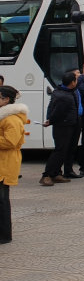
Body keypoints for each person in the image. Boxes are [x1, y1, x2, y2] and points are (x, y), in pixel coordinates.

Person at [0, 85, 28, 243]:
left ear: (6, 100)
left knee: (2, 199)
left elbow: (10, 142)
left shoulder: (11, 119)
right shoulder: (4, 117)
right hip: (2, 159)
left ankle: (4, 235)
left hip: (6, 161)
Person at [41, 71, 80, 185]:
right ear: (72, 82)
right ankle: (46, 175)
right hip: (63, 126)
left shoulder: (64, 91)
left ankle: (55, 173)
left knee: (66, 150)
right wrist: (50, 120)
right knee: (60, 150)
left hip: (72, 124)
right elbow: (57, 112)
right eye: (76, 80)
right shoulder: (64, 96)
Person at [60, 68, 84, 180]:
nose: (79, 76)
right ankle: (58, 171)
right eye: (77, 74)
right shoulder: (65, 90)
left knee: (73, 146)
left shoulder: (75, 88)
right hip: (68, 121)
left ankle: (69, 170)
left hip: (77, 119)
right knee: (65, 147)